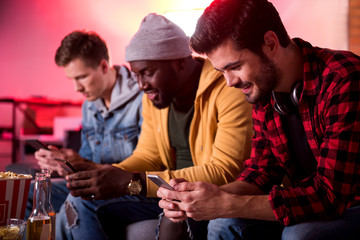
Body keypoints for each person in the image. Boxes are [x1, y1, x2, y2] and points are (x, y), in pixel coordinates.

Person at [157, 0, 360, 239]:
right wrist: (207, 196)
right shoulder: (264, 90)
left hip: (350, 204)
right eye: (221, 71)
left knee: (300, 235)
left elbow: (329, 197)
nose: (230, 82)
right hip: (314, 203)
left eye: (235, 66)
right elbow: (260, 173)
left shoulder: (344, 79)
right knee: (223, 225)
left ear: (270, 43)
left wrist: (225, 204)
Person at [55, 13, 253, 239]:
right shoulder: (155, 96)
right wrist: (109, 173)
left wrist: (131, 181)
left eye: (148, 73)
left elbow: (224, 171)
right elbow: (148, 155)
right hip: (167, 191)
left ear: (180, 62)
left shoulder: (227, 90)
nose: (141, 85)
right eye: (136, 75)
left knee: (82, 204)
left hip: (206, 194)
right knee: (81, 198)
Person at [27, 30, 143, 221]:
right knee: (29, 193)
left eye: (81, 77)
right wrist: (66, 164)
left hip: (129, 188)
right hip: (93, 185)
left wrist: (84, 165)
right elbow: (88, 161)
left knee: (79, 204)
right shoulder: (89, 105)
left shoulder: (143, 98)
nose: (76, 88)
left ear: (104, 66)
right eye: (71, 79)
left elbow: (148, 166)